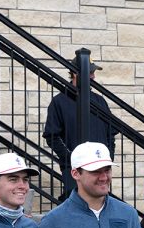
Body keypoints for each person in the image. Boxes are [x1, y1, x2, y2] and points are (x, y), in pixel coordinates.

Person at [43, 56, 118, 200]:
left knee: (100, 204)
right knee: (75, 205)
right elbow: (52, 136)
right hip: (74, 171)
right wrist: (72, 160)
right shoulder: (59, 101)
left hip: (100, 167)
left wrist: (107, 160)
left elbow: (111, 134)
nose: (93, 77)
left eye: (93, 73)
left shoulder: (100, 101)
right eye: (90, 73)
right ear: (75, 73)